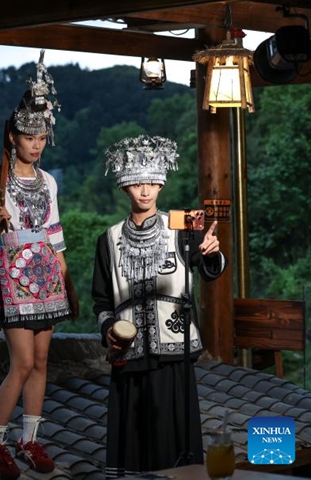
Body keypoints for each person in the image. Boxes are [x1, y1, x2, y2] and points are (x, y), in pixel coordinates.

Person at [0, 50, 79, 480]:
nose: (36, 143)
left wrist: (68, 283)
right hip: (13, 276)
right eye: (28, 136)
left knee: (44, 361)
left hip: (48, 274)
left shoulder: (49, 181)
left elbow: (54, 234)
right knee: (23, 363)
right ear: (12, 136)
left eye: (42, 137)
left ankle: (29, 438)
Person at [92, 135, 227, 478]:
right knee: (134, 449)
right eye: (137, 183)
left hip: (174, 354)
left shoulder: (181, 226)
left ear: (162, 184)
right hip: (128, 354)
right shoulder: (107, 240)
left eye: (152, 182)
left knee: (175, 445)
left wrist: (212, 253)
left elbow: (209, 268)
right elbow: (102, 301)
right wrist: (109, 331)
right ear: (125, 187)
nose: (146, 190)